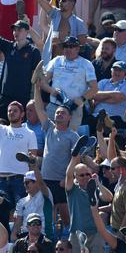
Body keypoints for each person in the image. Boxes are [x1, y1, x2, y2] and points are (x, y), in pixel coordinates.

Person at [0, 0, 40, 115]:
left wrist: (34, 99)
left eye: (19, 30)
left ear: (27, 32)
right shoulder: (9, 46)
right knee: (0, 129)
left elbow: (36, 78)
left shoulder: (34, 51)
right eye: (14, 30)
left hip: (23, 99)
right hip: (5, 97)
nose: (16, 32)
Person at [33, 75, 78, 233]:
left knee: (67, 220)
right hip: (46, 181)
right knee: (48, 218)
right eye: (57, 113)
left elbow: (77, 160)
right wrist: (37, 88)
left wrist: (67, 179)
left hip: (61, 182)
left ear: (69, 118)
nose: (59, 115)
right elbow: (39, 108)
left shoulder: (73, 136)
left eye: (63, 113)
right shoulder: (49, 128)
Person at [25, 0, 88, 64]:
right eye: (60, 0)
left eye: (64, 0)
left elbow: (82, 47)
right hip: (49, 63)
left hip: (68, 65)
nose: (60, 2)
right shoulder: (55, 14)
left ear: (72, 3)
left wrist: (63, 45)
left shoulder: (79, 23)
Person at [40, 35, 98, 130]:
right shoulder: (56, 61)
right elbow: (43, 82)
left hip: (74, 108)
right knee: (48, 134)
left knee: (71, 138)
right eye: (66, 46)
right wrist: (52, 91)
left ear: (77, 49)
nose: (68, 49)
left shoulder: (86, 64)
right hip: (55, 105)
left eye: (71, 47)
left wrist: (81, 99)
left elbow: (94, 88)